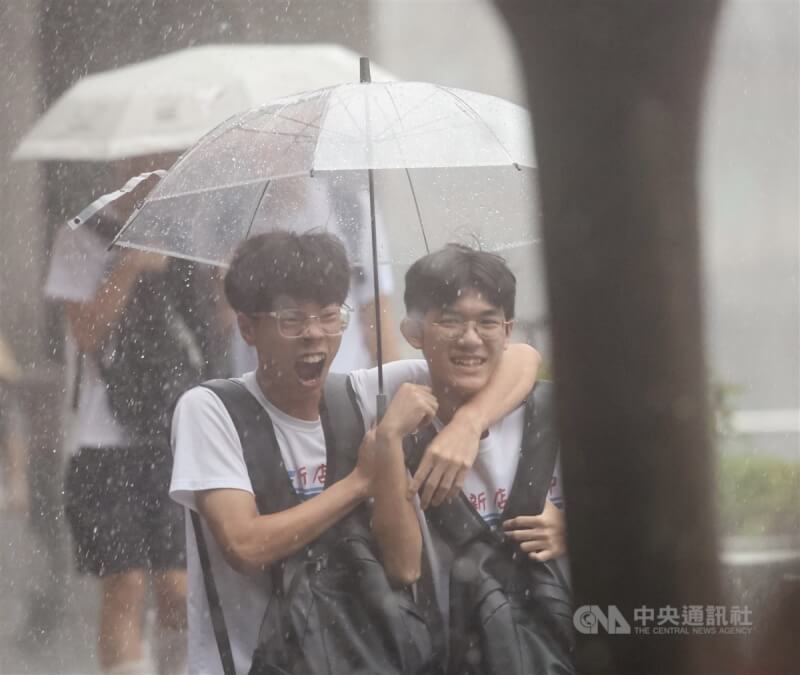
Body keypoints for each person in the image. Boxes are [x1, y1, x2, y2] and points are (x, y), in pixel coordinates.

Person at [170, 230, 542, 675]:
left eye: (330, 316)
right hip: (251, 664)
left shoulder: (365, 393)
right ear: (248, 327)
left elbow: (519, 356)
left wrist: (467, 423)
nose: (315, 335)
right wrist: (359, 482)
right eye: (292, 320)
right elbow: (245, 545)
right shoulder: (211, 409)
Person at [360, 244, 571, 673]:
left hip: (552, 645)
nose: (470, 339)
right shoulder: (384, 398)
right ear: (413, 332)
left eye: (487, 322)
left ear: (508, 329)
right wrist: (389, 439)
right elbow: (401, 567)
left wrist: (571, 531)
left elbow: (638, 520)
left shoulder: (554, 414)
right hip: (442, 652)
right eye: (450, 321)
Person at [44, 163, 190, 675]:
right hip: (100, 437)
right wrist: (128, 265)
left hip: (173, 428)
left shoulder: (187, 233)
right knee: (124, 580)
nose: (150, 170)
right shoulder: (81, 233)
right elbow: (84, 331)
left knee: (178, 585)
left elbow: (215, 328)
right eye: (139, 158)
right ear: (117, 165)